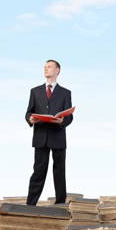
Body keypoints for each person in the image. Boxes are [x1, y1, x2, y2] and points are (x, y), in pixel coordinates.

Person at [25, 60, 73, 205]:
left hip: (58, 136)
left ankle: (60, 204)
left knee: (59, 173)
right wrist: (30, 119)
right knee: (38, 172)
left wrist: (62, 121)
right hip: (40, 137)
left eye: (49, 66)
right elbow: (28, 112)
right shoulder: (35, 91)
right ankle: (30, 204)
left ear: (57, 70)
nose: (46, 69)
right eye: (44, 67)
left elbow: (69, 116)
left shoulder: (65, 93)